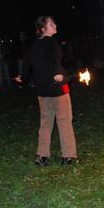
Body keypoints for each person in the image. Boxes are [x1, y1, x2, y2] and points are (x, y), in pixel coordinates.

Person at [17, 16, 77, 166]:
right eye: (51, 24)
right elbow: (54, 59)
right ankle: (68, 156)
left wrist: (23, 78)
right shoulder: (52, 42)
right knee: (64, 121)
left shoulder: (33, 46)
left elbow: (27, 62)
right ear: (42, 29)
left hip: (43, 91)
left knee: (45, 124)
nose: (55, 25)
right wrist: (57, 73)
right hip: (58, 90)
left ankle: (41, 156)